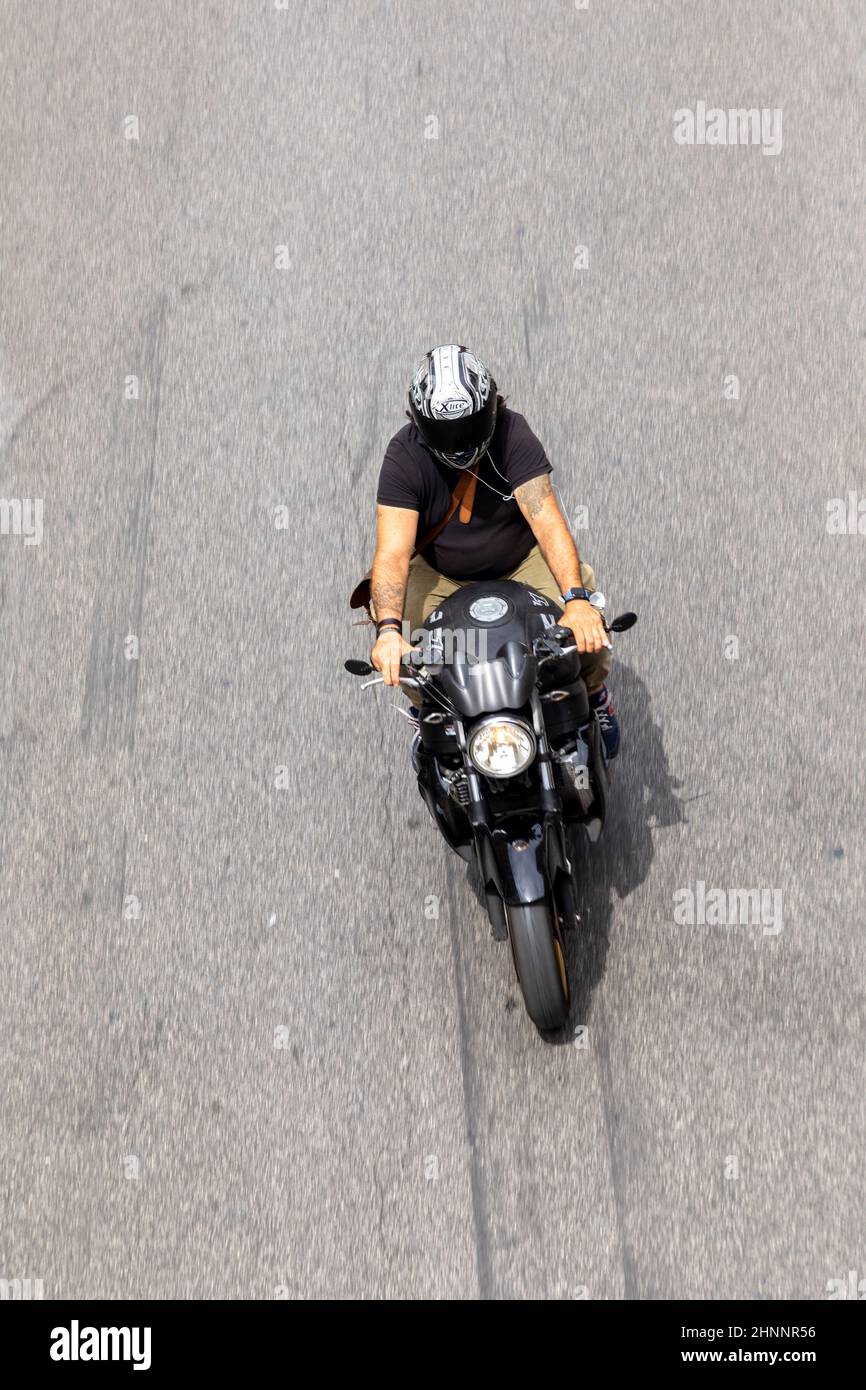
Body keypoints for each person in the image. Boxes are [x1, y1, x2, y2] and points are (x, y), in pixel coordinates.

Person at [369, 344, 619, 757]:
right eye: (446, 431)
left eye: (469, 426)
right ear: (419, 422)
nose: (460, 441)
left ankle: (592, 695)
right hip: (442, 574)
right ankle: (430, 713)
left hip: (520, 563)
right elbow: (393, 554)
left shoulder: (512, 434)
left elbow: (546, 520)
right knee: (411, 646)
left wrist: (575, 600)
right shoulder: (403, 456)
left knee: (583, 622)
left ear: (489, 409)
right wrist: (389, 632)